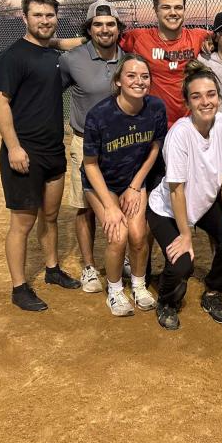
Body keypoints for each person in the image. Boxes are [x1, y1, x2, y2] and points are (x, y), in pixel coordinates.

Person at [0, 0, 80, 312]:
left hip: (53, 150)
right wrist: (13, 147)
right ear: (24, 17)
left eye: (50, 15)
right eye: (38, 15)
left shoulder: (54, 56)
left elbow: (81, 42)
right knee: (22, 224)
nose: (44, 20)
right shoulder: (12, 57)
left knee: (51, 216)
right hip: (24, 153)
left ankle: (53, 269)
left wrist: (56, 42)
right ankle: (18, 287)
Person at [146, 60, 222, 330]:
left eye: (211, 94)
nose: (205, 102)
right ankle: (167, 300)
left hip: (203, 203)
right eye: (196, 96)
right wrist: (185, 234)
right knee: (183, 263)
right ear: (187, 103)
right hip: (168, 209)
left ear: (219, 97)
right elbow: (176, 190)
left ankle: (213, 293)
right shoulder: (179, 134)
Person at [82, 54, 167, 317]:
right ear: (118, 80)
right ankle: (115, 291)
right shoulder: (100, 115)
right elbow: (90, 164)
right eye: (131, 75)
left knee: (139, 236)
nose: (139, 81)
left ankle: (139, 286)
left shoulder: (155, 107)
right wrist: (109, 205)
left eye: (144, 76)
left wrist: (135, 185)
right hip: (102, 183)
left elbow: (156, 146)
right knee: (117, 235)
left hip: (134, 180)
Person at [60, 0, 125, 293]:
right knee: (86, 208)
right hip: (84, 142)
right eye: (98, 24)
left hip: (123, 143)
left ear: (118, 28)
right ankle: (88, 266)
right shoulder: (72, 59)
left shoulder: (128, 59)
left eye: (110, 24)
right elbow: (51, 91)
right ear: (89, 28)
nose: (105, 29)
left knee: (122, 202)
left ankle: (120, 257)